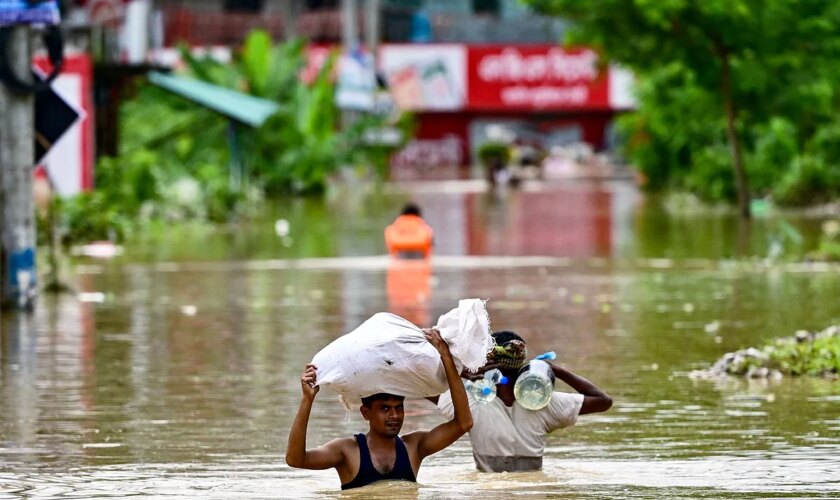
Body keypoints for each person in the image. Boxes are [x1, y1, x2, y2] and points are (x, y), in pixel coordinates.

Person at [285, 328, 473, 490]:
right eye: (385, 409)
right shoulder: (346, 451)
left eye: (398, 408)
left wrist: (446, 358)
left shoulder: (414, 447)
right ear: (366, 413)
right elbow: (295, 459)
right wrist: (307, 400)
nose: (394, 415)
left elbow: (464, 423)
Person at [429, 330, 612, 473]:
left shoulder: (467, 404)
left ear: (485, 365)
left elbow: (416, 385)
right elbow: (603, 401)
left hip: (486, 490)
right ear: (522, 365)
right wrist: (555, 370)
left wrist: (459, 370)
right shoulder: (543, 401)